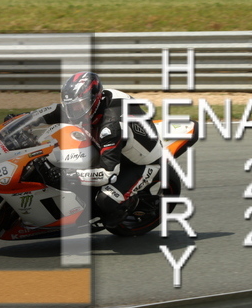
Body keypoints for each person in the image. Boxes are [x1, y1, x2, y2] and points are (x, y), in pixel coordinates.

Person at [28, 71, 163, 229]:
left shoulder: (110, 127)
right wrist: (26, 119)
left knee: (105, 200)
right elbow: (57, 110)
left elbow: (108, 174)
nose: (75, 111)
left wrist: (69, 175)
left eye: (79, 106)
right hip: (123, 144)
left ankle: (128, 206)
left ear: (95, 99)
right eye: (71, 106)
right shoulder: (92, 102)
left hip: (140, 163)